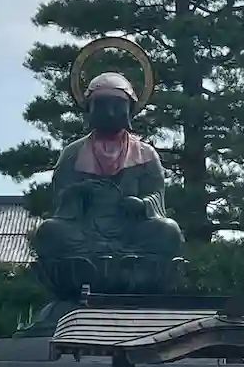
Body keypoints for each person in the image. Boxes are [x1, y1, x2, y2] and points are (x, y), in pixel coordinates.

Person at [30, 72, 184, 261]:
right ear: (90, 109)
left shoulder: (145, 154)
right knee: (49, 231)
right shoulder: (73, 153)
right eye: (101, 106)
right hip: (84, 232)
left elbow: (156, 194)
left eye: (117, 106)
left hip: (132, 233)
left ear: (130, 109)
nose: (110, 113)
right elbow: (59, 196)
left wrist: (143, 205)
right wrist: (79, 192)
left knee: (169, 230)